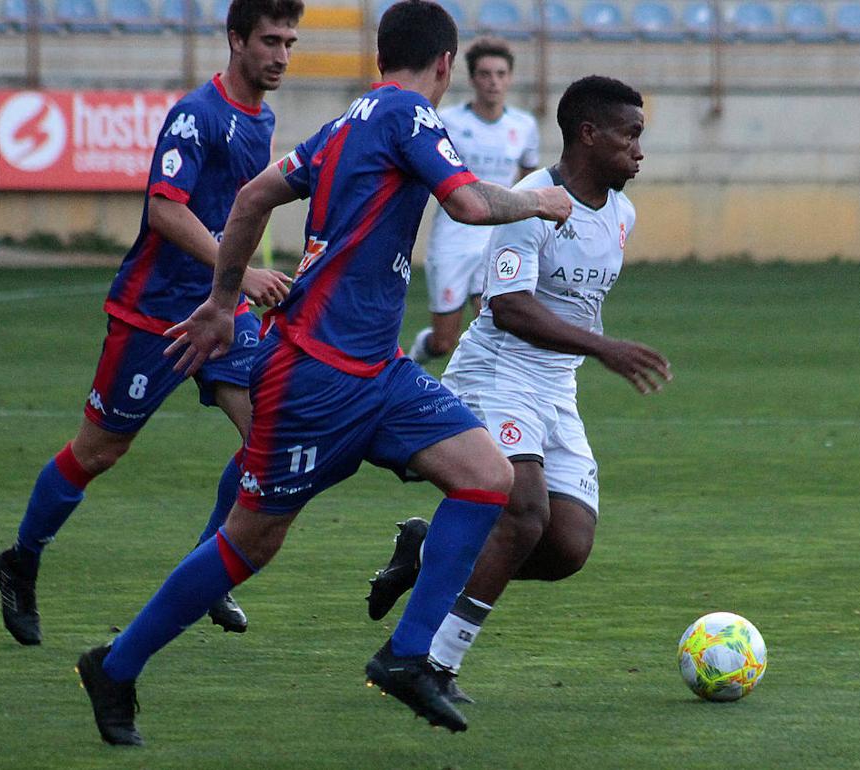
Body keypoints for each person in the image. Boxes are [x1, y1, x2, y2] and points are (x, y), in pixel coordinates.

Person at [73, 0, 572, 745]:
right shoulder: (408, 115)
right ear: (444, 64)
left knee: (487, 477)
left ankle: (408, 657)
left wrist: (219, 300)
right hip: (313, 373)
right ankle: (116, 664)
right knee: (249, 544)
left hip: (378, 370)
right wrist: (540, 200)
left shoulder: (346, 123)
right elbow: (466, 203)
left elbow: (252, 197)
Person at [0, 0, 301, 647]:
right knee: (99, 452)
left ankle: (207, 572)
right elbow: (165, 210)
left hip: (222, 310)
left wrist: (238, 286)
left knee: (266, 438)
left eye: (290, 42)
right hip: (153, 314)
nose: (280, 55)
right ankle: (21, 558)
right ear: (236, 38)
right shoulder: (198, 115)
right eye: (270, 40)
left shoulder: (262, 117)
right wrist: (240, 271)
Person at [365, 76, 671, 702]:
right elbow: (508, 307)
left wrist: (591, 350)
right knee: (524, 514)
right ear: (588, 134)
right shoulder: (530, 200)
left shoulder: (622, 214)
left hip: (557, 386)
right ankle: (433, 663)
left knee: (566, 546)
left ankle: (427, 552)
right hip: (498, 374)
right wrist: (606, 347)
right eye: (631, 136)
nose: (640, 151)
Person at [409, 36, 539, 366]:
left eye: (500, 73)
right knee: (443, 342)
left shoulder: (523, 126)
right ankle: (410, 363)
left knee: (495, 331)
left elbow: (527, 183)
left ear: (509, 77)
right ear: (472, 78)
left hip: (495, 241)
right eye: (485, 73)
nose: (493, 81)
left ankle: (479, 399)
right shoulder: (448, 122)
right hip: (452, 240)